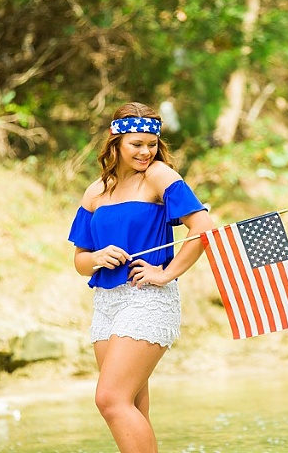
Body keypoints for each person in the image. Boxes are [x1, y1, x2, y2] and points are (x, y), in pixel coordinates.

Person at [67, 102, 215, 453]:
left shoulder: (159, 176)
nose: (146, 151)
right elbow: (79, 261)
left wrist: (165, 273)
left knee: (109, 399)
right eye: (137, 144)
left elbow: (204, 228)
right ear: (115, 141)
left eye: (152, 143)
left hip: (147, 299)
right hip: (106, 305)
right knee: (130, 404)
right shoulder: (95, 192)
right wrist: (97, 257)